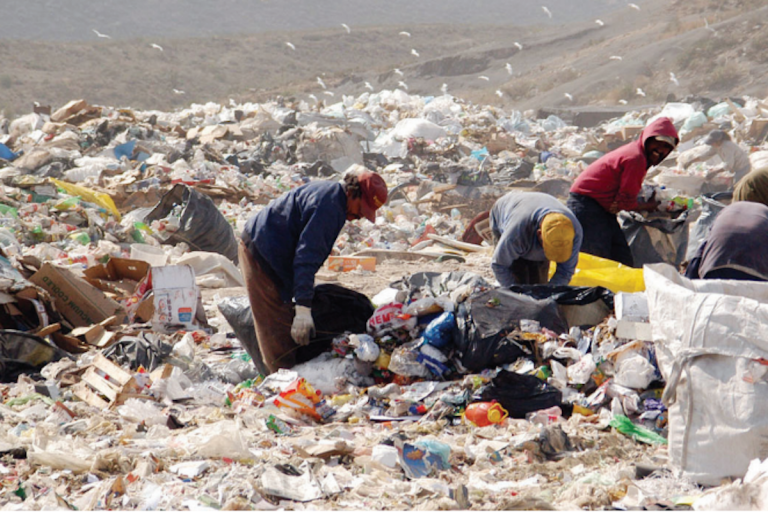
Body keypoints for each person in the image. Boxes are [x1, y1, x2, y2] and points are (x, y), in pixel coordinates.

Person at [239, 167, 387, 373]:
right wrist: (303, 309)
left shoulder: (332, 198)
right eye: (363, 208)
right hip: (262, 254)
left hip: (271, 252)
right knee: (277, 333)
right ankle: (280, 383)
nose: (360, 215)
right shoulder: (330, 208)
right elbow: (306, 258)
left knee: (282, 320)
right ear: (354, 193)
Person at [567, 117, 679, 266]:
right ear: (647, 140)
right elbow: (626, 202)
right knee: (596, 261)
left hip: (601, 208)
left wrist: (619, 204)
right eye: (657, 143)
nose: (660, 149)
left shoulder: (638, 154)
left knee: (620, 256)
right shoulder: (636, 158)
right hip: (587, 206)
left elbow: (623, 200)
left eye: (666, 147)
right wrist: (649, 206)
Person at [489, 191, 583, 287]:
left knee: (539, 282)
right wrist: (515, 293)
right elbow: (499, 265)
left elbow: (565, 271)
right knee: (517, 276)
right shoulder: (516, 234)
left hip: (533, 209)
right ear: (539, 234)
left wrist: (549, 293)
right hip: (506, 209)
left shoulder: (575, 231)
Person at [684, 201, 768, 281]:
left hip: (715, 268)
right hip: (757, 274)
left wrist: (689, 281)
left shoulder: (725, 213)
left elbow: (700, 251)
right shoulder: (764, 214)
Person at [678, 129, 751, 187]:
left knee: (736, 187)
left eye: (713, 142)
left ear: (718, 141)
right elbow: (706, 155)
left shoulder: (727, 146)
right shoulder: (716, 147)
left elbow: (729, 165)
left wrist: (714, 172)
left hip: (743, 167)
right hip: (736, 168)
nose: (712, 144)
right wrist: (691, 161)